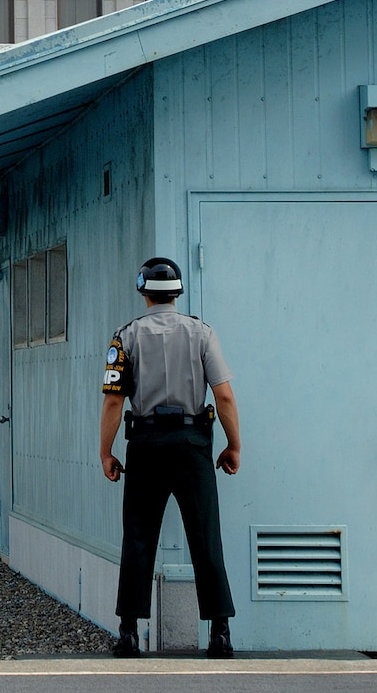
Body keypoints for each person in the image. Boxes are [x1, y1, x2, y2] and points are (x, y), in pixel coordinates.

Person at [99, 257, 240, 659]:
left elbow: (113, 400)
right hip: (193, 442)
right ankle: (220, 633)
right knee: (205, 535)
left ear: (143, 290)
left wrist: (106, 451)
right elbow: (224, 394)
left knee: (140, 536)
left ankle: (128, 632)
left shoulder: (126, 337)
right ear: (177, 292)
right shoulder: (202, 333)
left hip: (145, 443)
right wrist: (234, 445)